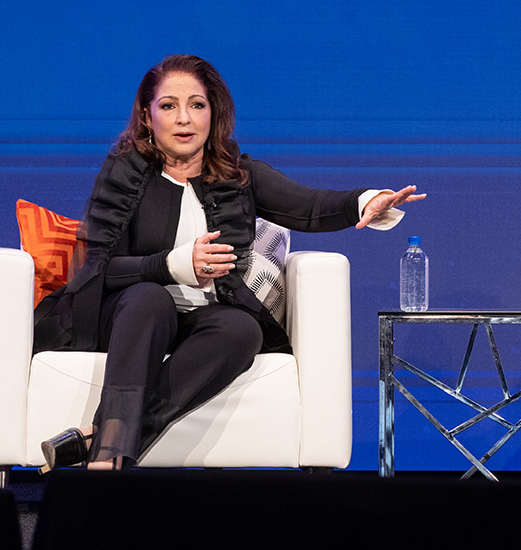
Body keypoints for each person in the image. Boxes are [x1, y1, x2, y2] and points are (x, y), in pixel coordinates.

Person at [35, 54, 425, 471]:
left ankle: (100, 441)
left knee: (241, 328)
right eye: (168, 106)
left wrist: (367, 200)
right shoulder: (124, 172)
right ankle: (108, 457)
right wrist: (170, 265)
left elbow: (309, 205)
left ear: (213, 113)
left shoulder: (236, 174)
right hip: (129, 316)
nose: (184, 118)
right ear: (147, 118)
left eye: (196, 105)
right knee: (150, 299)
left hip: (200, 320)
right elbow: (99, 268)